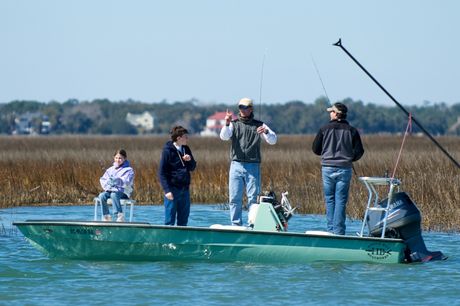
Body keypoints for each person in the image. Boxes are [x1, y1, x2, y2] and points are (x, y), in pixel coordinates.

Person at [220, 97, 277, 226]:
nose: (243, 110)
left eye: (245, 107)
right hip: (236, 165)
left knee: (253, 198)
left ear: (251, 109)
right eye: (241, 107)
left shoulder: (260, 124)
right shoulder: (233, 124)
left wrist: (266, 132)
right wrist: (227, 123)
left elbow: (273, 140)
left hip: (253, 165)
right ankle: (236, 225)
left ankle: (252, 225)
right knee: (234, 198)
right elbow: (224, 136)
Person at [312, 102, 364, 235]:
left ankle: (331, 230)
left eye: (331, 111)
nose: (330, 113)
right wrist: (350, 159)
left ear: (336, 114)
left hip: (327, 168)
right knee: (340, 200)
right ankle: (339, 232)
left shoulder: (324, 129)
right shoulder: (352, 131)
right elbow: (360, 151)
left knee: (330, 199)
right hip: (345, 168)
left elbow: (315, 149)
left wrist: (327, 153)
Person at [158, 126, 197, 226]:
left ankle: (181, 241)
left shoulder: (186, 148)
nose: (187, 138)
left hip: (185, 190)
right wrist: (167, 190)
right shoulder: (167, 151)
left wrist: (190, 160)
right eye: (185, 136)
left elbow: (192, 167)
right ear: (179, 138)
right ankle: (168, 241)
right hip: (172, 190)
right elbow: (161, 173)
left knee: (183, 221)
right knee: (169, 221)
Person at [98, 149, 135, 222]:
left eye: (120, 158)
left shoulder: (129, 170)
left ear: (124, 159)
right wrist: (108, 184)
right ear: (114, 158)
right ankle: (106, 216)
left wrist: (117, 180)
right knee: (101, 196)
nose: (118, 160)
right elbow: (103, 179)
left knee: (114, 195)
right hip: (111, 191)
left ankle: (119, 215)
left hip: (123, 192)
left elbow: (126, 181)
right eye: (116, 158)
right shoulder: (110, 169)